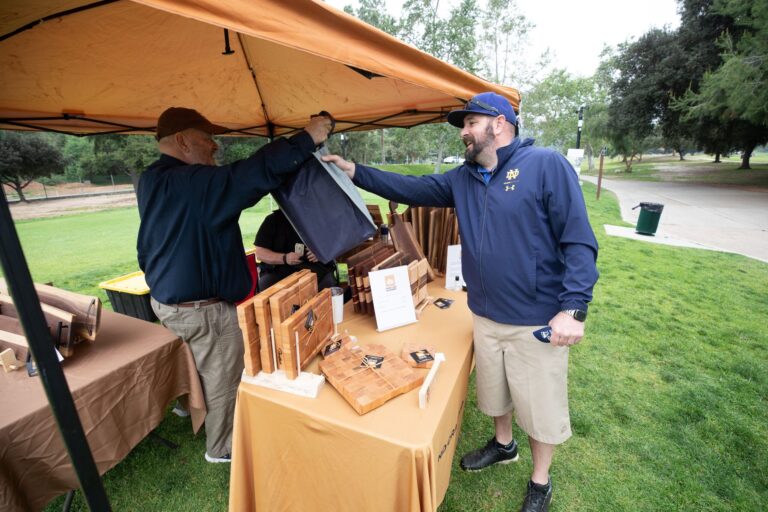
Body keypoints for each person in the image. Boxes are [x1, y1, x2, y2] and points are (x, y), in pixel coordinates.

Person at [323, 92, 599, 512]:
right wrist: (355, 170)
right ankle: (504, 444)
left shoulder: (545, 165)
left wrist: (573, 308)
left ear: (499, 124)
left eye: (470, 124)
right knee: (494, 393)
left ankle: (540, 481)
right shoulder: (462, 179)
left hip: (535, 318)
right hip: (485, 314)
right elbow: (409, 186)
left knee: (540, 408)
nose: (464, 133)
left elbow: (578, 239)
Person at [137, 107, 332, 463]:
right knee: (225, 375)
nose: (215, 146)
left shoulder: (152, 179)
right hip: (202, 309)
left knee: (192, 362)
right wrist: (308, 137)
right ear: (182, 141)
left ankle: (189, 407)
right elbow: (249, 174)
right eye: (206, 138)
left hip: (167, 301)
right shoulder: (190, 183)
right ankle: (223, 447)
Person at [253, 208, 337, 291]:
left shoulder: (318, 219)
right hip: (279, 270)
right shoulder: (272, 220)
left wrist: (321, 252)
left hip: (315, 269)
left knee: (328, 285)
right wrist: (284, 258)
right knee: (266, 284)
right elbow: (260, 252)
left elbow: (337, 241)